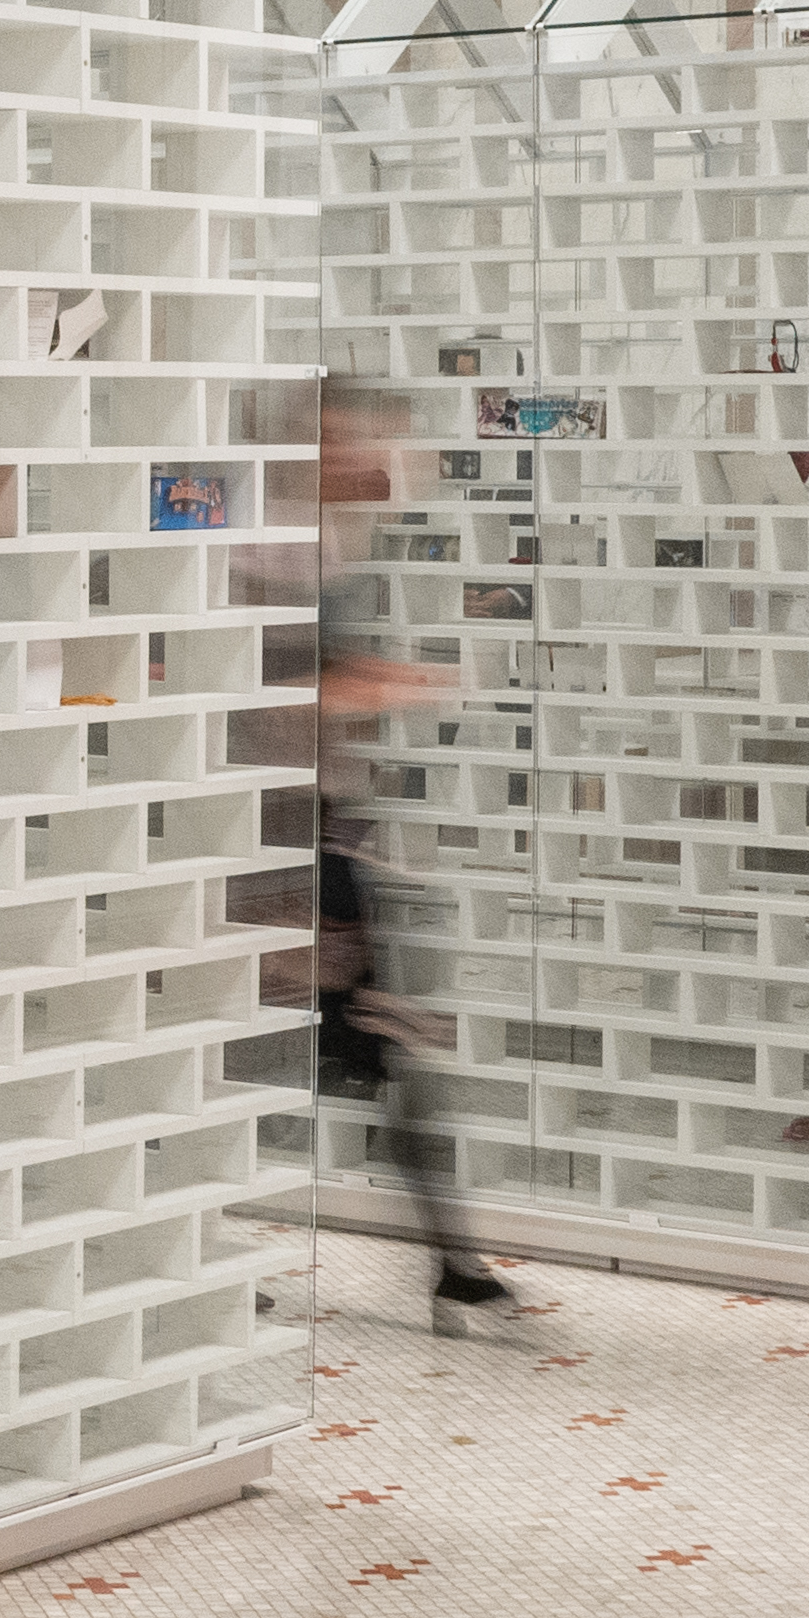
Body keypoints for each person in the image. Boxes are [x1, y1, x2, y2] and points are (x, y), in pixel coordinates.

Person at [315, 376, 524, 1333]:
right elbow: (282, 695)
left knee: (395, 1053)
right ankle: (454, 1261)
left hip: (327, 847)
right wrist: (396, 684)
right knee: (361, 1053)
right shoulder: (283, 553)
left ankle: (455, 1260)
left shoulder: (338, 548)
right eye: (372, 443)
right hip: (287, 856)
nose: (395, 465)